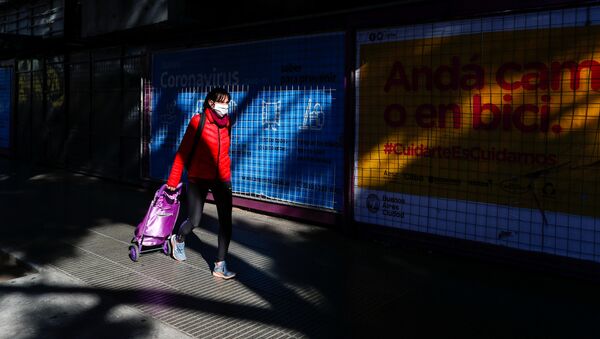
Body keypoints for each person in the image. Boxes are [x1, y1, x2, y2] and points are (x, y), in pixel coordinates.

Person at [165, 87, 236, 280]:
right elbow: (183, 152)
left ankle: (220, 265)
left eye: (228, 102)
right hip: (198, 177)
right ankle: (178, 238)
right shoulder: (198, 121)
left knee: (226, 222)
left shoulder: (227, 123)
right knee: (195, 220)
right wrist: (173, 180)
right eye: (222, 102)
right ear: (211, 103)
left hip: (222, 177)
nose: (226, 106)